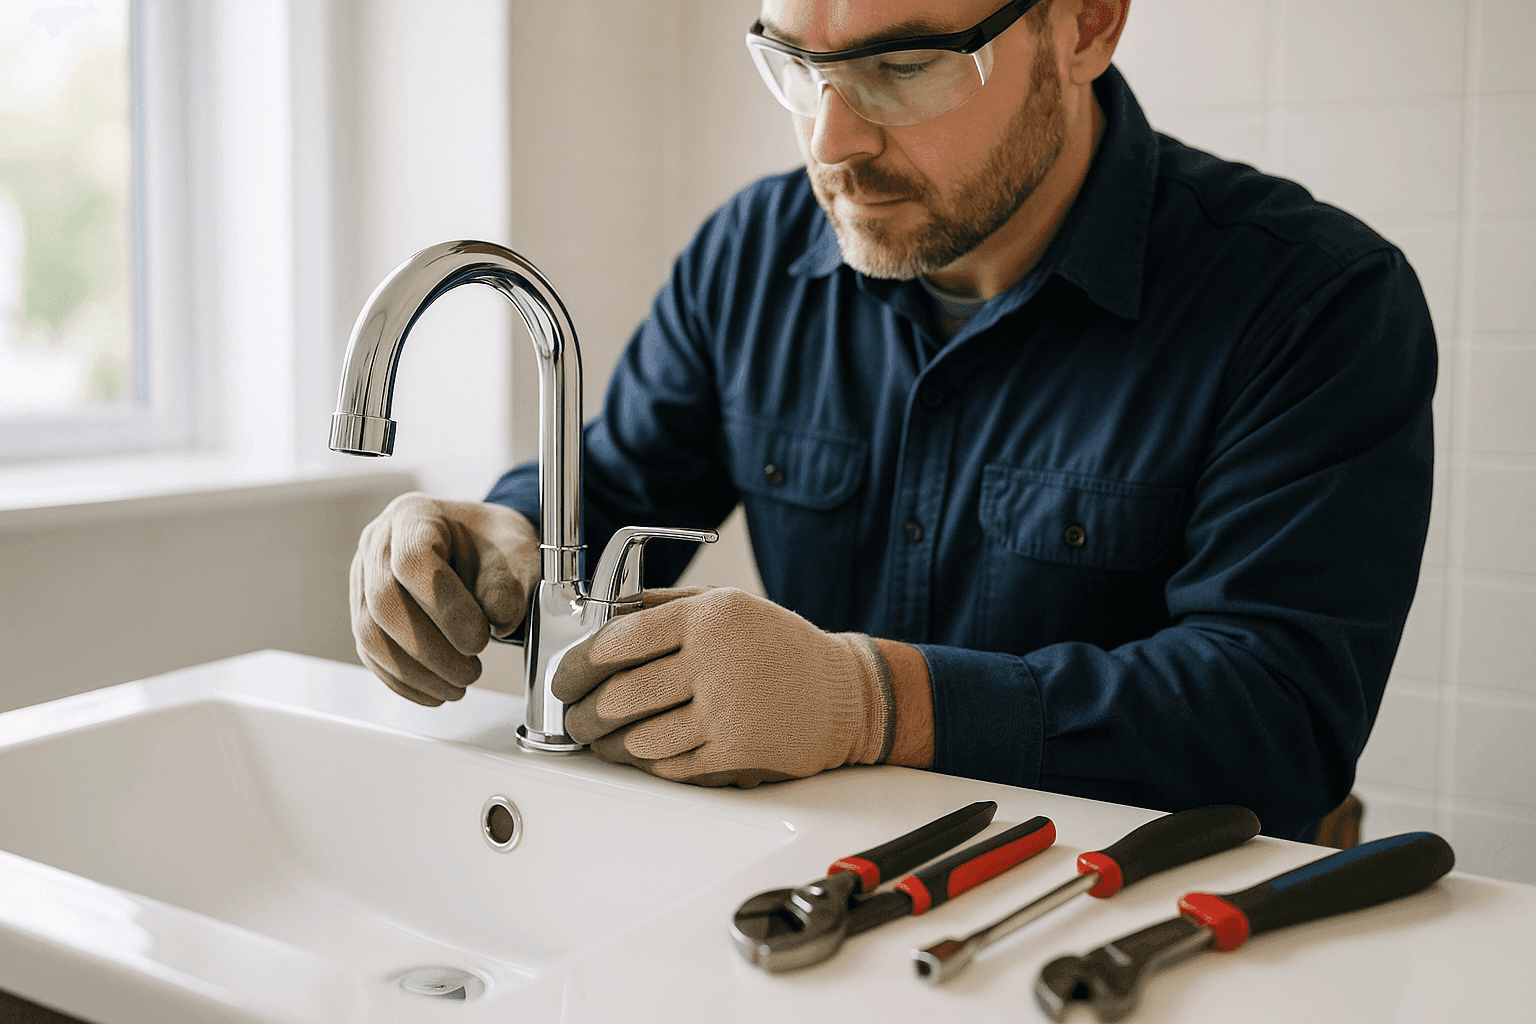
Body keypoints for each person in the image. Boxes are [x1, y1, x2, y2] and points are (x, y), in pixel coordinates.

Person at [349, 0, 1436, 842]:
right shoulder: (747, 258)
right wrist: (496, 540)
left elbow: (1277, 719)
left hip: (1144, 918)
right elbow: (620, 482)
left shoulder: (1315, 300)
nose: (832, 142)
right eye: (794, 64)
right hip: (823, 893)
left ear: (1085, 25)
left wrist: (873, 702)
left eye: (904, 67)